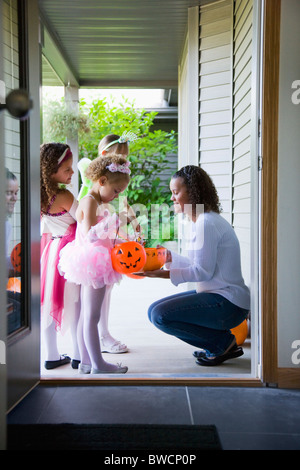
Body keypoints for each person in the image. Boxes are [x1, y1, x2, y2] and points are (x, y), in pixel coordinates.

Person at [139, 165, 250, 367]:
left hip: (228, 305)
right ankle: (220, 342)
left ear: (193, 192)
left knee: (160, 316)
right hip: (220, 298)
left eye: (176, 192)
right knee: (154, 310)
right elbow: (197, 263)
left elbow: (201, 272)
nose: (172, 198)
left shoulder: (206, 223)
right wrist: (169, 256)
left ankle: (221, 343)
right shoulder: (201, 221)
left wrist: (160, 274)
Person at [58, 153, 130, 374]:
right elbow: (90, 235)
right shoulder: (89, 201)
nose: (117, 195)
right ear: (102, 181)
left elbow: (106, 236)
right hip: (92, 262)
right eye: (116, 190)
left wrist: (123, 238)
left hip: (99, 260)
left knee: (87, 316)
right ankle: (99, 365)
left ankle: (87, 363)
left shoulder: (99, 201)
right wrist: (114, 220)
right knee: (92, 316)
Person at [40, 143, 81, 370]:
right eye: (67, 169)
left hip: (50, 251)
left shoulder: (40, 195)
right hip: (69, 254)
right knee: (74, 303)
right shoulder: (64, 196)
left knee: (49, 302)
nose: (72, 173)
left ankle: (51, 355)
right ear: (51, 171)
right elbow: (83, 221)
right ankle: (78, 354)